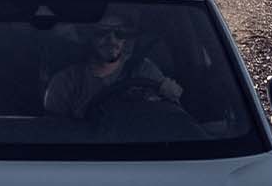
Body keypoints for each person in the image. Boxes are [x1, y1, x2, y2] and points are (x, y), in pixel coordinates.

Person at [44, 15, 183, 122]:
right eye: (102, 32)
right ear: (89, 36)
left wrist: (170, 93)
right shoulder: (65, 82)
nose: (111, 40)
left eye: (120, 33)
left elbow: (169, 116)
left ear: (126, 38)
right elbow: (54, 131)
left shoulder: (143, 71)